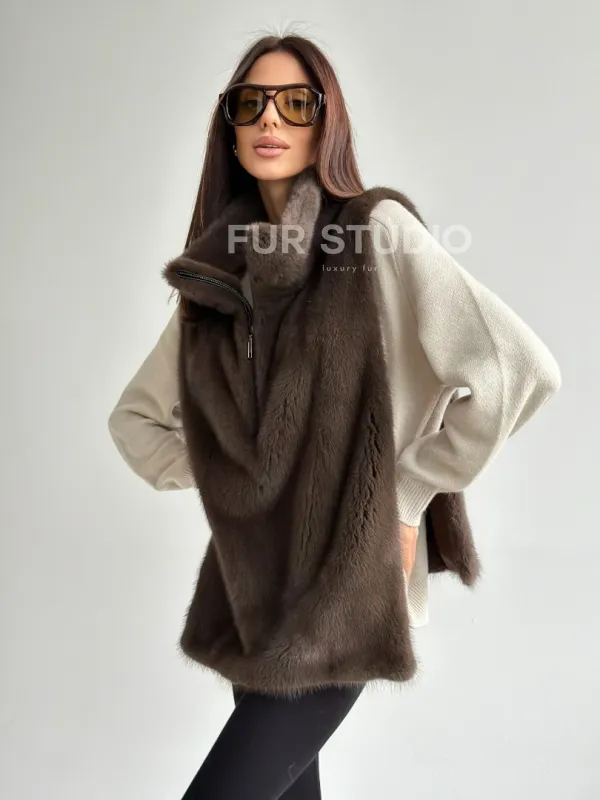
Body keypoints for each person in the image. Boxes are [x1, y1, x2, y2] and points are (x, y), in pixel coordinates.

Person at [107, 33, 561, 800]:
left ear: (327, 125)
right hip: (257, 591)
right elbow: (137, 421)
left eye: (295, 103)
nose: (269, 118)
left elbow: (519, 368)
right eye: (250, 103)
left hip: (349, 582)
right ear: (229, 125)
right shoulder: (222, 275)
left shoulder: (374, 232)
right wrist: (240, 470)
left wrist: (407, 494)